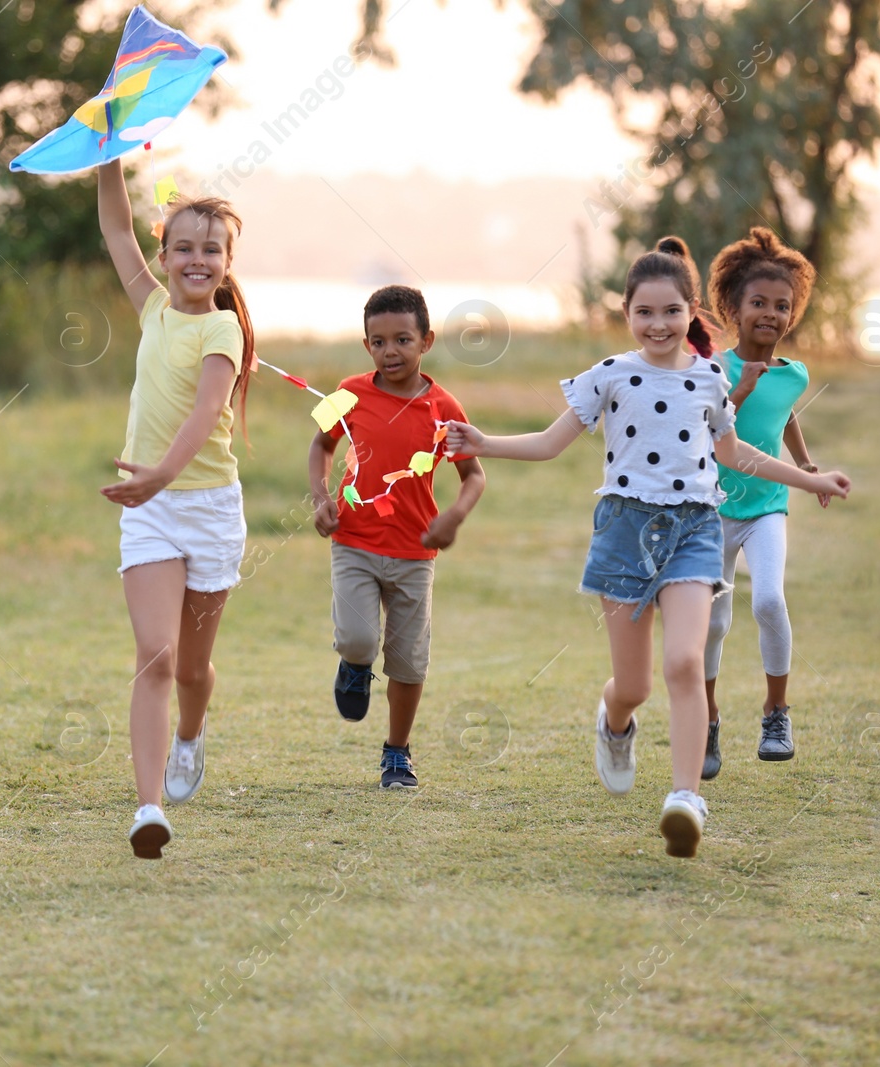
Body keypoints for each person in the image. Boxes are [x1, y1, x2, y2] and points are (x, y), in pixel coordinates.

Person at [442, 237, 850, 858]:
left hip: (693, 529)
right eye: (644, 313)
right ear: (628, 316)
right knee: (633, 686)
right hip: (625, 532)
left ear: (692, 312)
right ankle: (615, 722)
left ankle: (686, 800)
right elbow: (552, 443)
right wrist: (483, 443)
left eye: (670, 312)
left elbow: (736, 455)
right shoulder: (609, 376)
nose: (657, 325)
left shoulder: (713, 379)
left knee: (684, 662)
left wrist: (810, 476)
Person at [95, 160, 256, 859]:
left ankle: (191, 735)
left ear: (225, 264)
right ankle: (148, 805)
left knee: (193, 668)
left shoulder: (223, 331)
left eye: (210, 249)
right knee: (154, 656)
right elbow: (112, 224)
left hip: (208, 507)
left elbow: (206, 411)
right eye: (183, 247)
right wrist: (111, 148)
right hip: (151, 512)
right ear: (164, 255)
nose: (196, 258)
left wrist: (161, 471)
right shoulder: (153, 306)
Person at [308, 285, 485, 789]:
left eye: (402, 340)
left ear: (426, 340)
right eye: (378, 341)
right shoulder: (347, 391)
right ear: (367, 346)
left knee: (408, 660)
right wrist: (321, 497)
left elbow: (474, 476)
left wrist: (454, 516)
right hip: (355, 542)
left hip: (415, 551)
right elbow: (320, 446)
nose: (391, 352)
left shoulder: (446, 406)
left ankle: (397, 753)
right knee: (359, 639)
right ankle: (355, 664)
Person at [702, 227, 823, 778]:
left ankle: (777, 711)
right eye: (758, 303)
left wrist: (803, 463)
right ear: (733, 307)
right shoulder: (713, 371)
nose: (770, 314)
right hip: (711, 510)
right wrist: (742, 386)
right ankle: (706, 721)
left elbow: (785, 412)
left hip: (767, 509)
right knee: (712, 622)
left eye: (782, 305)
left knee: (769, 601)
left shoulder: (794, 374)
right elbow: (711, 427)